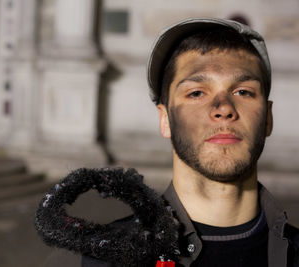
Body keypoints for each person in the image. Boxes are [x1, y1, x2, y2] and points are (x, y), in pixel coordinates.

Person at [80, 18, 299, 266]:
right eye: (196, 93)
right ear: (165, 120)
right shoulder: (107, 259)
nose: (224, 108)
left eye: (243, 92)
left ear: (268, 118)